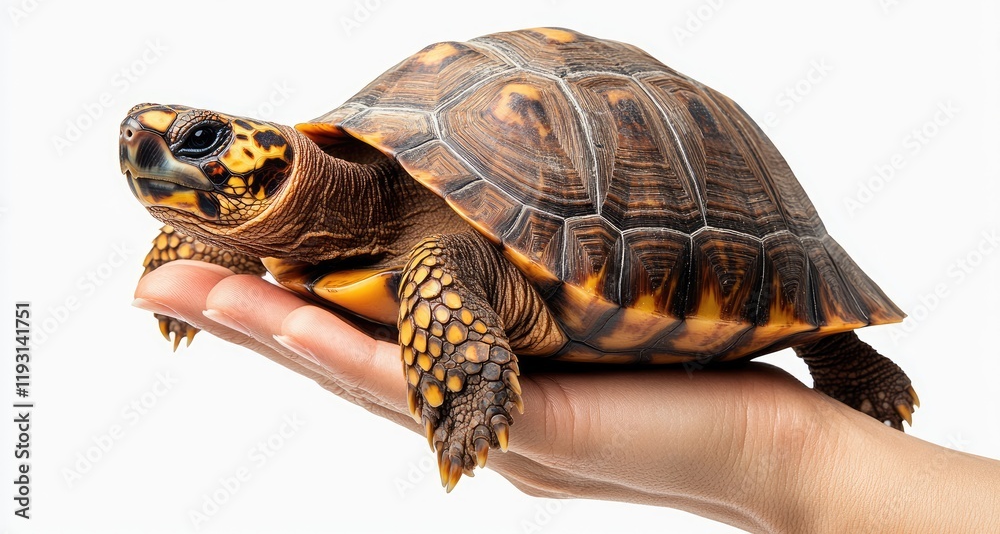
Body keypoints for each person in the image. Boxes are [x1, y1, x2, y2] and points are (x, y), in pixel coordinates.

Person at [134, 259, 1000, 533]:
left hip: (529, 262)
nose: (155, 148)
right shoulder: (308, 226)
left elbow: (441, 267)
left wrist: (797, 457)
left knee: (436, 272)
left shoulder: (434, 257)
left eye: (205, 143)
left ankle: (834, 343)